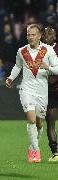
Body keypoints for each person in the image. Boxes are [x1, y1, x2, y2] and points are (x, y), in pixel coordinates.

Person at [6, 24, 58, 163]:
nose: (30, 37)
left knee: (39, 123)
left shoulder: (48, 50)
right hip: (26, 89)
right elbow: (18, 66)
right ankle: (35, 151)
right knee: (31, 119)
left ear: (39, 36)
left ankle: (32, 146)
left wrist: (48, 67)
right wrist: (11, 78)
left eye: (33, 34)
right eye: (28, 34)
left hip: (42, 92)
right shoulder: (21, 51)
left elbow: (57, 69)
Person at [42, 27, 58, 162]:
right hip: (50, 91)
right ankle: (55, 152)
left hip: (53, 86)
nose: (49, 35)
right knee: (51, 123)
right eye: (47, 33)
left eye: (51, 32)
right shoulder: (40, 51)